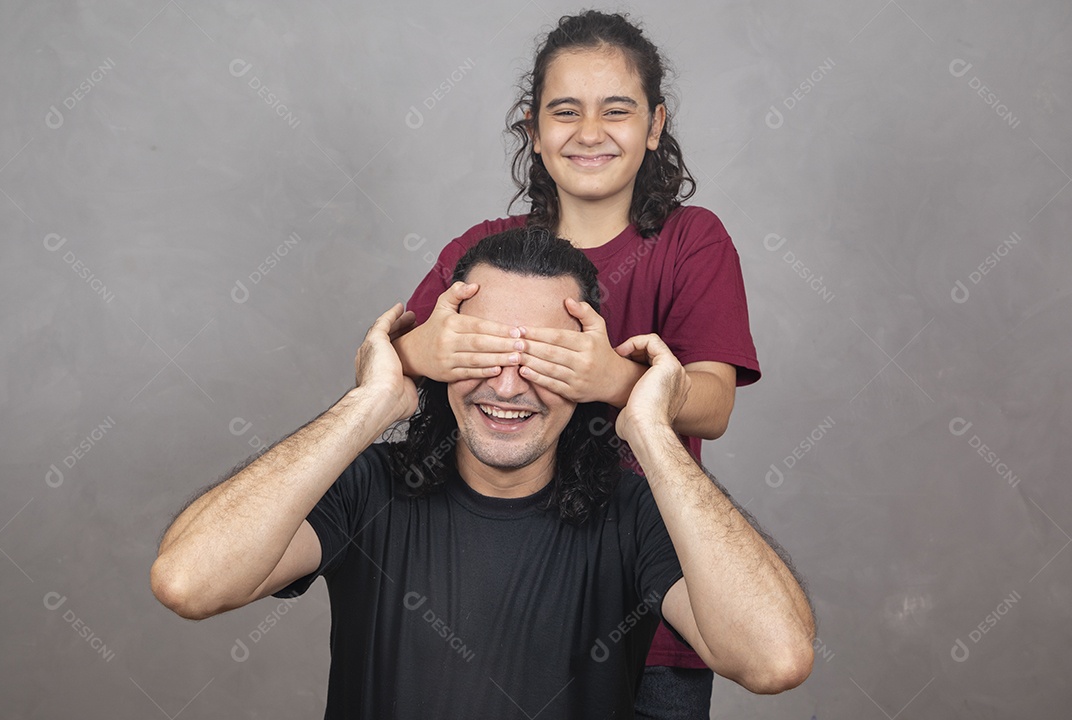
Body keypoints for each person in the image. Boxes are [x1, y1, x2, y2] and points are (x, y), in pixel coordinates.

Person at [150, 229, 814, 718]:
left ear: (585, 374)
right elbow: (188, 581)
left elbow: (776, 658)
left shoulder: (632, 514)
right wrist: (370, 401)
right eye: (483, 351)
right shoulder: (370, 488)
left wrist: (651, 426)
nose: (508, 384)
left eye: (544, 360)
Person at [393, 11, 760, 716]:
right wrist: (421, 353)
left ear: (654, 125)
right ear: (533, 129)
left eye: (616, 110)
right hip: (504, 595)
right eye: (565, 111)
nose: (590, 133)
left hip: (654, 611)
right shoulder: (485, 251)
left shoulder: (692, 241)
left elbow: (712, 404)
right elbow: (380, 369)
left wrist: (612, 380)